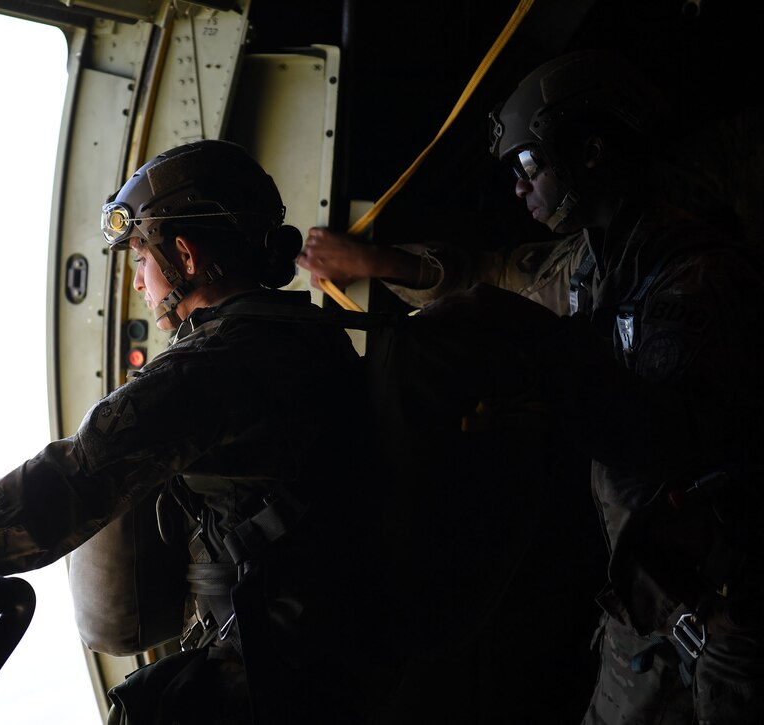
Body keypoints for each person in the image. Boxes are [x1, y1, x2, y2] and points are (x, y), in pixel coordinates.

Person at [309, 49, 764, 723]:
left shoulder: (693, 277)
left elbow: (660, 444)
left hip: (728, 626)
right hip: (646, 615)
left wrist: (540, 350)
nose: (520, 188)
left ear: (592, 151)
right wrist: (383, 263)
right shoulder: (593, 261)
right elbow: (498, 278)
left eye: (529, 164)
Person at [0, 139, 398, 724]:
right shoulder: (311, 336)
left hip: (275, 678)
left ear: (185, 255)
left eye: (141, 260)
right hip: (338, 657)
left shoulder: (212, 365)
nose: (141, 285)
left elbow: (70, 484)